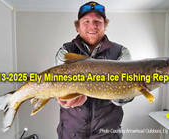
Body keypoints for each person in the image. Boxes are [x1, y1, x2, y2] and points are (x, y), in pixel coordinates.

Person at [55, 1, 134, 139]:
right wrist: (64, 98)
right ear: (78, 27)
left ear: (105, 26)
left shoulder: (121, 52)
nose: (92, 25)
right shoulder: (65, 51)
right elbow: (60, 84)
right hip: (71, 133)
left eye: (98, 21)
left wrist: (121, 93)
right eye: (86, 21)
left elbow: (128, 91)